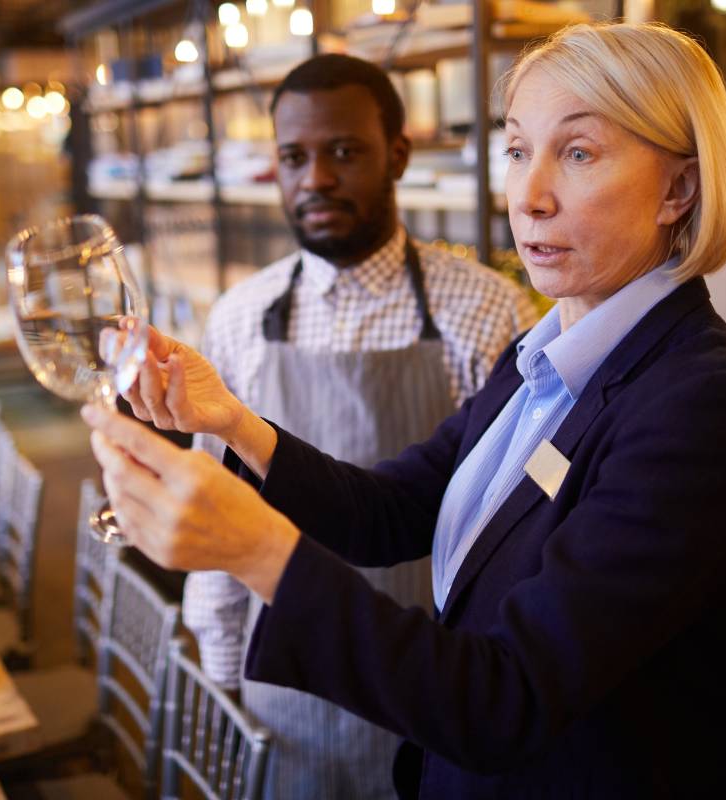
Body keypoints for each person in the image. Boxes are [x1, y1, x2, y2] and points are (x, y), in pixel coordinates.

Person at [85, 22, 726, 798]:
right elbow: (390, 511)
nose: (529, 196)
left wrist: (258, 550)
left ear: (679, 189)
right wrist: (227, 419)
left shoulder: (708, 406)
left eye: (580, 152)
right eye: (519, 150)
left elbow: (509, 699)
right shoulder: (542, 352)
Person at [180, 53, 536, 799]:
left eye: (343, 152)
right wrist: (220, 677)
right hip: (281, 681)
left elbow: (510, 537)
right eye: (293, 157)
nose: (315, 179)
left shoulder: (486, 312)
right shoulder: (240, 319)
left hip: (433, 684)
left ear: (397, 155)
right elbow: (214, 508)